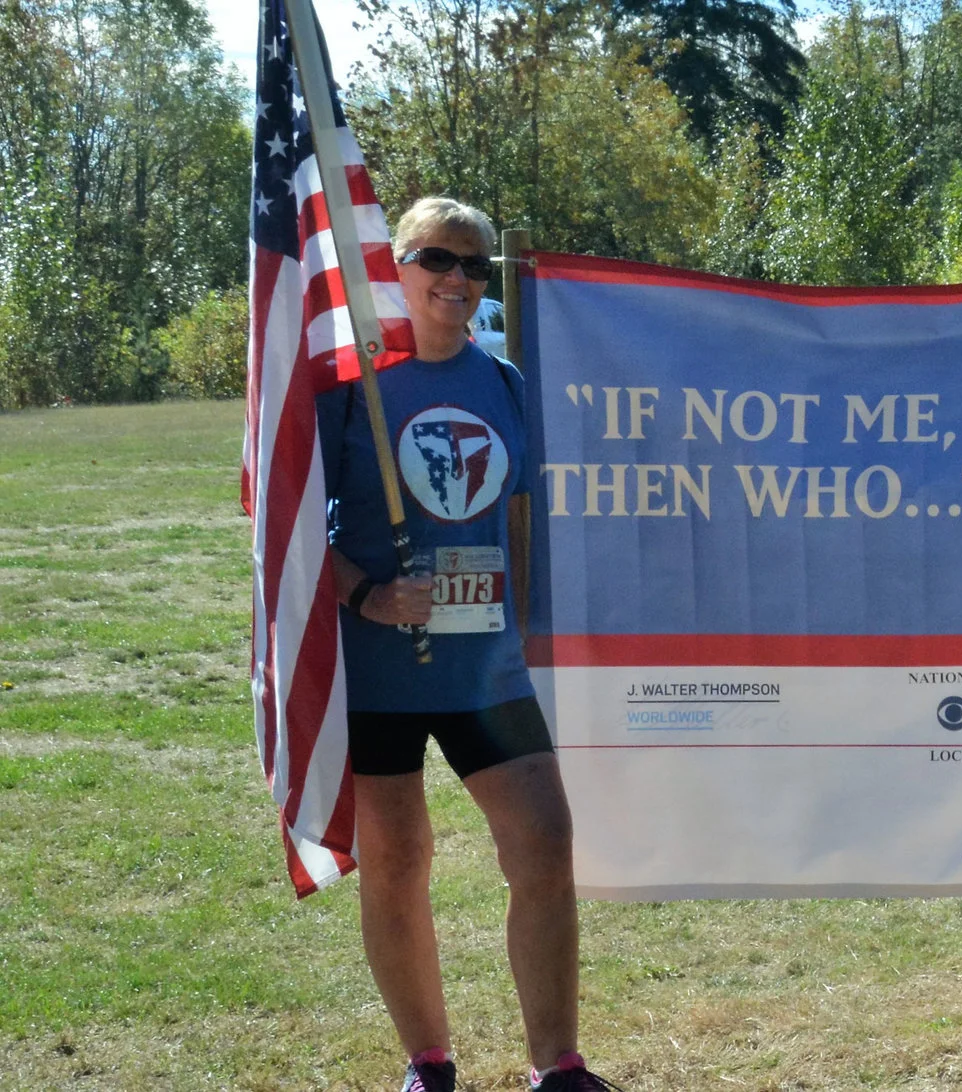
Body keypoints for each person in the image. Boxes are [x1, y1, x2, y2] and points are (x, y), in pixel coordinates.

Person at [318, 196, 618, 1092]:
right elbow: (287, 533)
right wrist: (368, 596)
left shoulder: (504, 381)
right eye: (437, 258)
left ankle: (557, 1064)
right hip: (376, 669)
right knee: (399, 860)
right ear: (395, 266)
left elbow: (514, 512)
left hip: (485, 667)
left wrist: (517, 618)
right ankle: (429, 1062)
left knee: (543, 840)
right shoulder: (349, 385)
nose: (456, 278)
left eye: (474, 265)